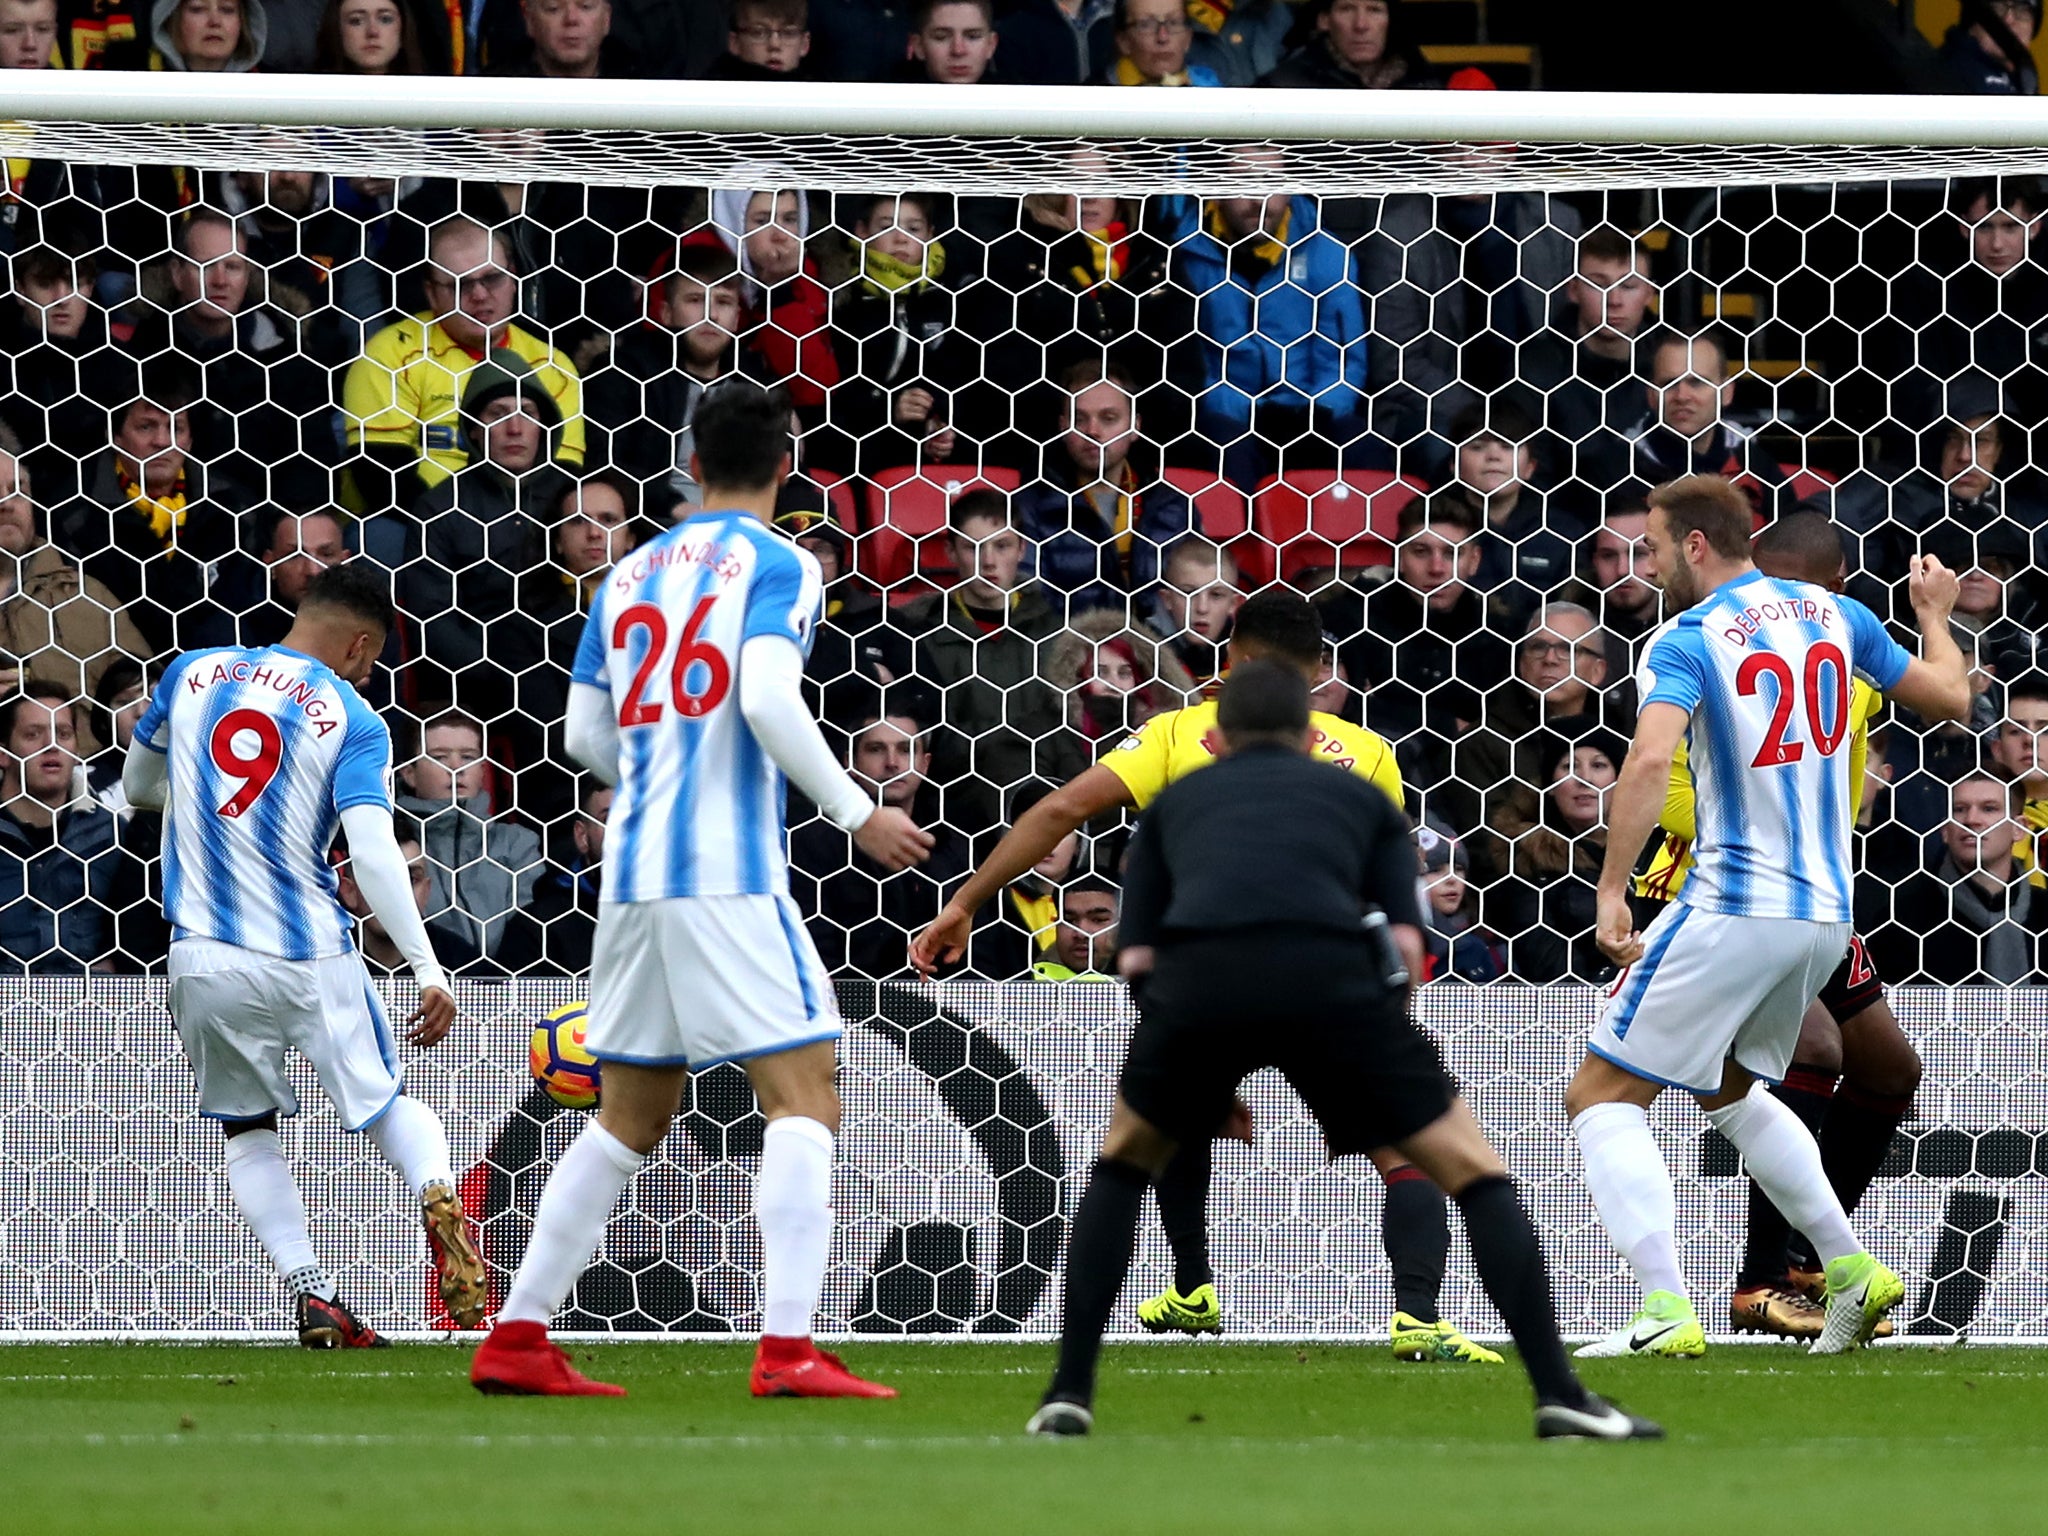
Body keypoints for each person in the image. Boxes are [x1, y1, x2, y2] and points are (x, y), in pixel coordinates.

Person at [1026, 659, 1657, 1441]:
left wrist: (1195, 1069)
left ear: (1217, 735)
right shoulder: (1358, 798)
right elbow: (1406, 940)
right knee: (1472, 1170)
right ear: (1308, 733)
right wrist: (1371, 1064)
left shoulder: (1175, 804)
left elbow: (1137, 956)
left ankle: (1069, 1394)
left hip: (1200, 992)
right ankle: (1559, 1392)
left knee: (1123, 1165)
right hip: (1333, 986)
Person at [468, 380, 933, 1399]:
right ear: (784, 459)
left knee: (629, 1110)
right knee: (806, 1091)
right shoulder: (782, 563)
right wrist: (860, 813)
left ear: (690, 460)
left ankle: (516, 1335)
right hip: (723, 867)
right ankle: (788, 1347)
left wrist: (663, 769)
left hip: (629, 870)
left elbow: (583, 738)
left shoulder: (628, 571)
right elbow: (766, 694)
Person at [914, 592, 1498, 1364]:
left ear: (1234, 660)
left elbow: (1059, 812)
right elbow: (1392, 880)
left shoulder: (1176, 733)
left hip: (1209, 976)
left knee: (1165, 1124)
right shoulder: (1369, 752)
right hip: (1331, 978)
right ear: (1320, 674)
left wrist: (963, 902)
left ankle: (1186, 1289)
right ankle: (1419, 1316)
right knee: (1405, 1152)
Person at [1569, 474, 1969, 1360]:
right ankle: (1851, 1270)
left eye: (1658, 546)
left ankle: (1664, 1312)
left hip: (1733, 900)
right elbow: (1952, 700)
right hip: (1825, 915)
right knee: (1733, 1088)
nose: (1654, 563)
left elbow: (1644, 767)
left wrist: (1609, 892)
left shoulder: (1684, 638)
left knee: (1599, 1096)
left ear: (1697, 544)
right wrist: (1934, 612)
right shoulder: (1839, 616)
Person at [118, 563, 485, 1346]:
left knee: (248, 1131)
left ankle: (312, 1291)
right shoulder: (352, 716)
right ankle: (434, 1187)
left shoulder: (190, 673)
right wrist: (426, 965)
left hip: (202, 957)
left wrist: (204, 805)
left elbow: (138, 786)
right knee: (384, 1102)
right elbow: (374, 849)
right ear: (359, 645)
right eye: (376, 658)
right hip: (307, 948)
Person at [342, 215, 584, 518]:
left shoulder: (552, 366)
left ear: (514, 279)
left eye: (492, 278)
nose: (480, 295)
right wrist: (453, 531)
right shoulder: (390, 353)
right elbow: (380, 473)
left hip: (523, 527)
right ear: (432, 293)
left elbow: (563, 474)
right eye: (460, 284)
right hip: (414, 524)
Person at [899, 489, 1064, 836]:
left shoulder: (1056, 632)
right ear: (950, 552)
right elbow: (928, 738)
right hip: (953, 817)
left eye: (1001, 546)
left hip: (1046, 812)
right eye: (973, 547)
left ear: (1022, 549)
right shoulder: (918, 636)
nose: (988, 561)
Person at [790, 687, 970, 977]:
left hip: (947, 1008)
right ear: (850, 761)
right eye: (876, 749)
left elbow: (984, 948)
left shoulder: (954, 845)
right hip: (846, 1006)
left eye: (905, 749)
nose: (892, 763)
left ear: (925, 763)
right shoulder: (813, 844)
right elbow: (813, 948)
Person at [1012, 363, 1199, 615]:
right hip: (1070, 650)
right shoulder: (1031, 508)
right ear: (1062, 426)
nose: (1093, 431)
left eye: (1108, 418)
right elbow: (1029, 608)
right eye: (1080, 419)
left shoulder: (1173, 507)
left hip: (1159, 650)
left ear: (1135, 426)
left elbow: (1199, 601)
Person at [0, 446, 150, 736]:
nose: (7, 502)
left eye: (17, 489)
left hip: (93, 774)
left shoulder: (88, 598)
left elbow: (148, 698)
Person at [0, 681, 138, 972]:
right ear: (3, 753)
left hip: (84, 1006)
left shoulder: (109, 836)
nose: (51, 745)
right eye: (33, 734)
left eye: (63, 733)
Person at [1874, 769, 2048, 984]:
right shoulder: (1901, 920)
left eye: (1989, 809)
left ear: (2018, 828)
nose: (1972, 820)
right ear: (1945, 829)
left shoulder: (2044, 914)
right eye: (1959, 809)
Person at [393, 709, 542, 960]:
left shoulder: (517, 843)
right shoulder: (394, 843)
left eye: (468, 757)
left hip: (505, 987)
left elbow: (529, 925)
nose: (456, 768)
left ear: (484, 770)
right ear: (409, 773)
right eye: (440, 757)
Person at [1627, 329, 1794, 522]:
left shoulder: (1757, 466)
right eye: (1669, 383)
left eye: (1696, 382)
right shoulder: (1614, 470)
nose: (1682, 396)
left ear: (1726, 392)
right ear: (1651, 395)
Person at [337, 814, 488, 977]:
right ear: (349, 892)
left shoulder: (463, 966)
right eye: (380, 878)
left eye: (410, 879)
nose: (397, 894)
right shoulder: (327, 962)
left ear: (426, 890)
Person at [1258, 0, 1434, 89]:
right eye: (1347, 9)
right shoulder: (1284, 87)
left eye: (1374, 10)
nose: (1361, 25)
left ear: (1391, 19)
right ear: (1324, 20)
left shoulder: (1426, 89)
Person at [1031, 871, 1119, 979]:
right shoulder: (1029, 983)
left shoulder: (1142, 984)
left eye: (1098, 920)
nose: (1081, 934)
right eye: (1069, 921)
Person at [1103, 0, 1215, 84]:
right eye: (1146, 25)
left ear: (1188, 37)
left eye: (1173, 22)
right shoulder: (1094, 100)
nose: (1163, 37)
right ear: (1123, 41)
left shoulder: (1212, 92)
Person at [1939, 0, 2038, 94]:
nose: (2008, 19)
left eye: (2022, 9)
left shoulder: (2025, 77)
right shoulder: (1952, 71)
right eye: (1997, 7)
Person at [313, 0, 426, 72]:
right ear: (336, 31)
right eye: (356, 21)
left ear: (403, 31)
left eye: (385, 19)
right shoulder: (308, 98)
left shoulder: (430, 98)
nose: (372, 32)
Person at [150, 0, 266, 70]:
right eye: (198, 9)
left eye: (227, 9)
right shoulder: (145, 91)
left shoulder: (272, 93)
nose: (215, 21)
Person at [901, 0, 1000, 81]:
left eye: (972, 37)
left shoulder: (1012, 98)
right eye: (941, 37)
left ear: (991, 45)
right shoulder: (890, 97)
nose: (958, 50)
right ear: (918, 46)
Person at [709, 0, 812, 76]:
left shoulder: (820, 94)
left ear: (804, 44)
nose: (774, 44)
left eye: (788, 33)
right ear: (735, 42)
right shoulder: (710, 91)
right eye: (758, 33)